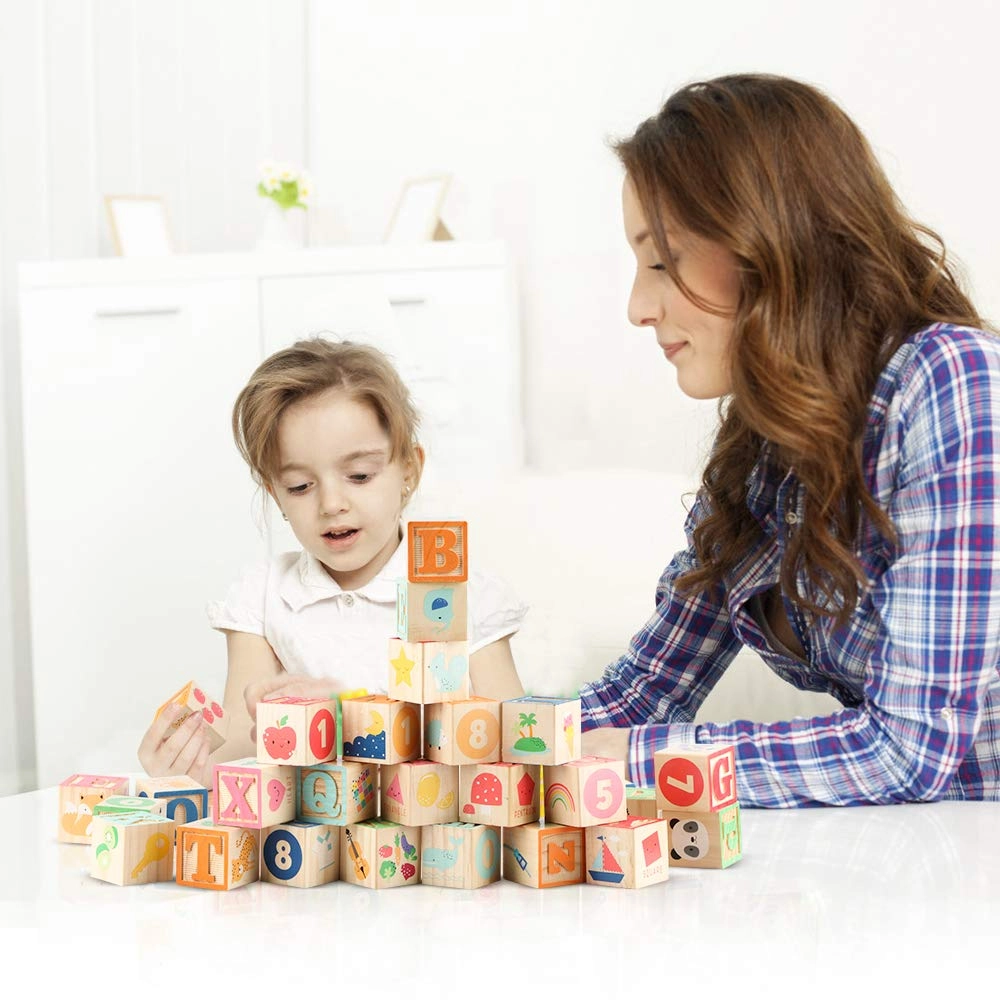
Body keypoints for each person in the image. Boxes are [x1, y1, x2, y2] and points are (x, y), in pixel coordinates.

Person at [579, 73, 1000, 807]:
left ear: (768, 242)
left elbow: (909, 751)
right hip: (913, 863)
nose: (638, 308)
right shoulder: (766, 451)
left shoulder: (953, 382)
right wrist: (436, 745)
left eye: (661, 261)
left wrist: (639, 761)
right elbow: (638, 697)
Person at [138, 337, 527, 786]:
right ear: (275, 495)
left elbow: (516, 751)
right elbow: (241, 751)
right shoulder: (263, 597)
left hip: (427, 845)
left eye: (359, 476)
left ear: (409, 472)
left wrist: (352, 716)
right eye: (301, 486)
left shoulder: (464, 595)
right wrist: (186, 762)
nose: (331, 503)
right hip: (306, 845)